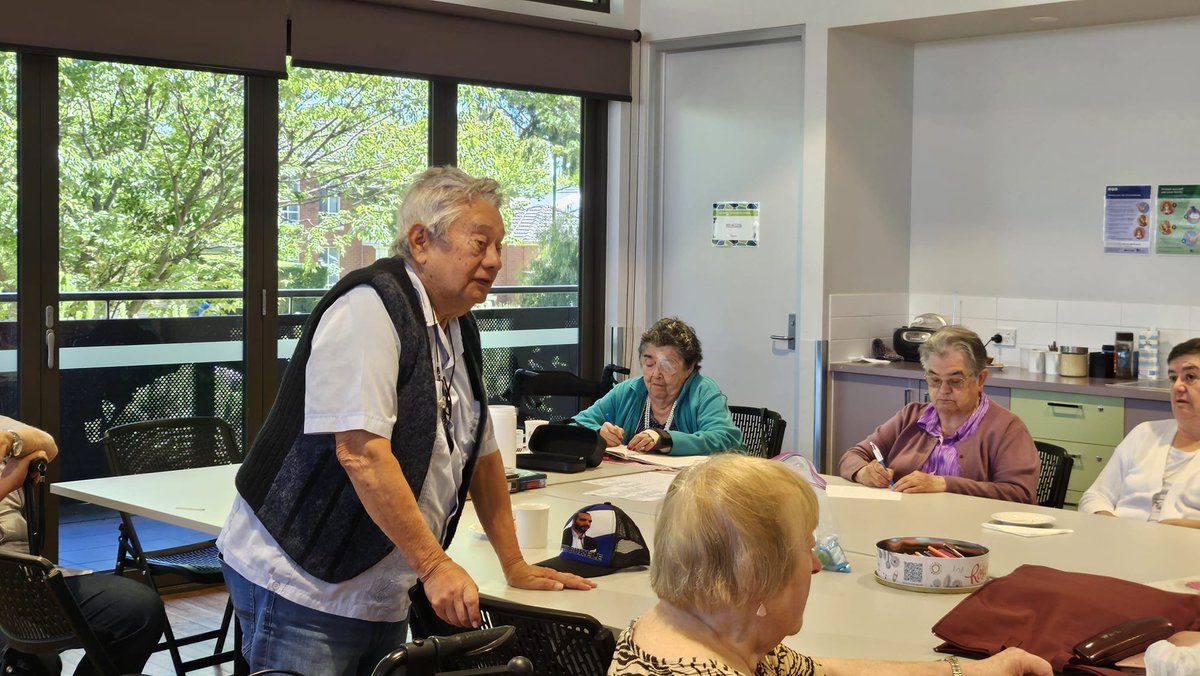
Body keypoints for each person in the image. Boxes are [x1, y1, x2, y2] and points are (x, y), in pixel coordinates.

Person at [217, 166, 594, 675]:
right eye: (480, 243)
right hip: (303, 580)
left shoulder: (458, 326)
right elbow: (361, 453)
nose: (495, 262)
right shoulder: (370, 309)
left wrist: (514, 564)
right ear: (421, 241)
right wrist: (434, 565)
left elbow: (480, 453)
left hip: (382, 581)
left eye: (500, 246)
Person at [610, 453, 1052, 675]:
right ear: (756, 576)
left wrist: (970, 670)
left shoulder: (704, 624)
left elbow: (825, 671)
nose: (816, 566)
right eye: (806, 548)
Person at [0, 417, 166, 676]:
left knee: (139, 611)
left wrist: (12, 440)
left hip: (28, 578)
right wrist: (8, 481)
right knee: (34, 661)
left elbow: (48, 444)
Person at [839, 326, 1039, 503]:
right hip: (907, 528)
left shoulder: (1007, 428)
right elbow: (853, 456)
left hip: (972, 536)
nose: (943, 390)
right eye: (934, 380)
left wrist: (944, 484)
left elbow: (1019, 494)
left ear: (980, 379)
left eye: (955, 381)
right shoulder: (911, 417)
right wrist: (864, 472)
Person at [573, 317, 743, 456]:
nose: (656, 374)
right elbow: (575, 424)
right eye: (649, 363)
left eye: (667, 365)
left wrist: (665, 439)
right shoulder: (629, 390)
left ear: (689, 367)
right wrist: (597, 433)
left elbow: (726, 439)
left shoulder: (703, 391)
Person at [1079, 338, 1200, 527]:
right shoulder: (1145, 434)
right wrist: (1113, 528)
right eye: (1173, 378)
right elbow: (1095, 497)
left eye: (1190, 377)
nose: (1177, 386)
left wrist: (1168, 532)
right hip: (1121, 544)